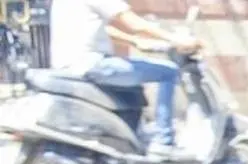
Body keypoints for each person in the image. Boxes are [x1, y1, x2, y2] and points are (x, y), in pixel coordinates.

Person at [49, 0, 200, 155]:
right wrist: (175, 39)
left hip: (69, 65)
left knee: (133, 80)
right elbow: (134, 23)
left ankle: (135, 135)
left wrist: (134, 41)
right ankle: (163, 140)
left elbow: (102, 29)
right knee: (168, 71)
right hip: (92, 64)